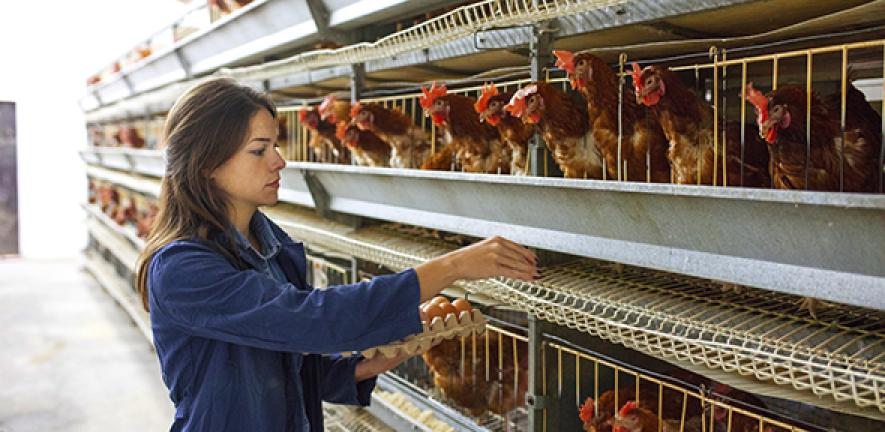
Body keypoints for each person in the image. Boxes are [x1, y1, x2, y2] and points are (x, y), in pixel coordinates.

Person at [134, 77, 539, 431]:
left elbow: (297, 366)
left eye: (275, 145)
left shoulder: (273, 250)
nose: (280, 160)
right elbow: (312, 319)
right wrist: (455, 265)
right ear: (206, 163)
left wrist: (386, 355)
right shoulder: (182, 269)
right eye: (259, 150)